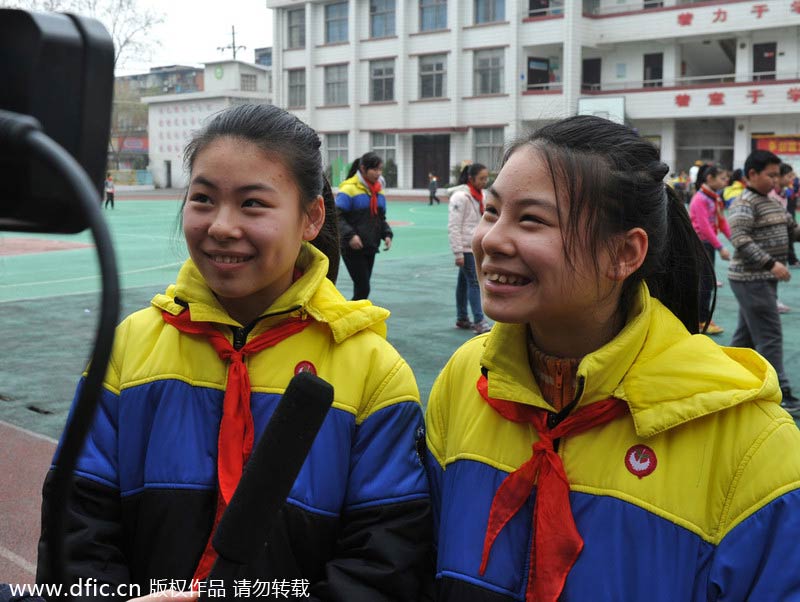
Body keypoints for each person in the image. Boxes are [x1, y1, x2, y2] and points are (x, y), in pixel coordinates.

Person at [36, 104, 431, 600]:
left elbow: (388, 563)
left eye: (252, 204)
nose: (221, 226)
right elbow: (75, 527)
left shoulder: (374, 371)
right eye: (203, 199)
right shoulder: (127, 349)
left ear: (311, 217)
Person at [425, 116, 800, 601]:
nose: (492, 239)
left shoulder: (750, 441)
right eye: (493, 211)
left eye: (532, 220)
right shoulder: (467, 376)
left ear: (624, 253)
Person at [728, 149, 800, 413]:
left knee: (744, 337)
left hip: (761, 280)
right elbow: (740, 239)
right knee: (770, 336)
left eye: (776, 175)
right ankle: (782, 393)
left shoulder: (772, 202)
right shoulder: (744, 203)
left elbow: (792, 230)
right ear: (752, 175)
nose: (775, 180)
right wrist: (772, 264)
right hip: (750, 279)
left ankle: (728, 377)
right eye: (770, 175)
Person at [335, 152, 393, 300]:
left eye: (380, 169)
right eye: (374, 169)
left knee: (362, 289)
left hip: (370, 245)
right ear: (362, 168)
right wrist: (350, 236)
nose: (378, 173)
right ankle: (352, 320)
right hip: (352, 247)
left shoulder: (378, 191)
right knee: (363, 287)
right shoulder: (348, 189)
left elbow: (380, 218)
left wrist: (387, 234)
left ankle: (355, 319)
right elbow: (337, 216)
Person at [447, 163, 491, 334]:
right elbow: (454, 225)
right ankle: (479, 320)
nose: (484, 182)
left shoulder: (482, 195)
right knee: (474, 282)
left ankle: (462, 317)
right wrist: (458, 252)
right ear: (471, 178)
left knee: (464, 283)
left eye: (486, 178)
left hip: (475, 246)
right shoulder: (460, 197)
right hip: (466, 247)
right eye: (481, 178)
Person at [689, 164, 730, 334]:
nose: (726, 181)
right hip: (701, 244)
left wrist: (736, 240)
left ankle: (700, 317)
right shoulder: (700, 199)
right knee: (705, 283)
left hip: (707, 245)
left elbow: (721, 221)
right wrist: (720, 247)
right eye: (722, 178)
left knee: (706, 282)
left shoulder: (714, 197)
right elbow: (704, 227)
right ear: (710, 178)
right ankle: (701, 320)